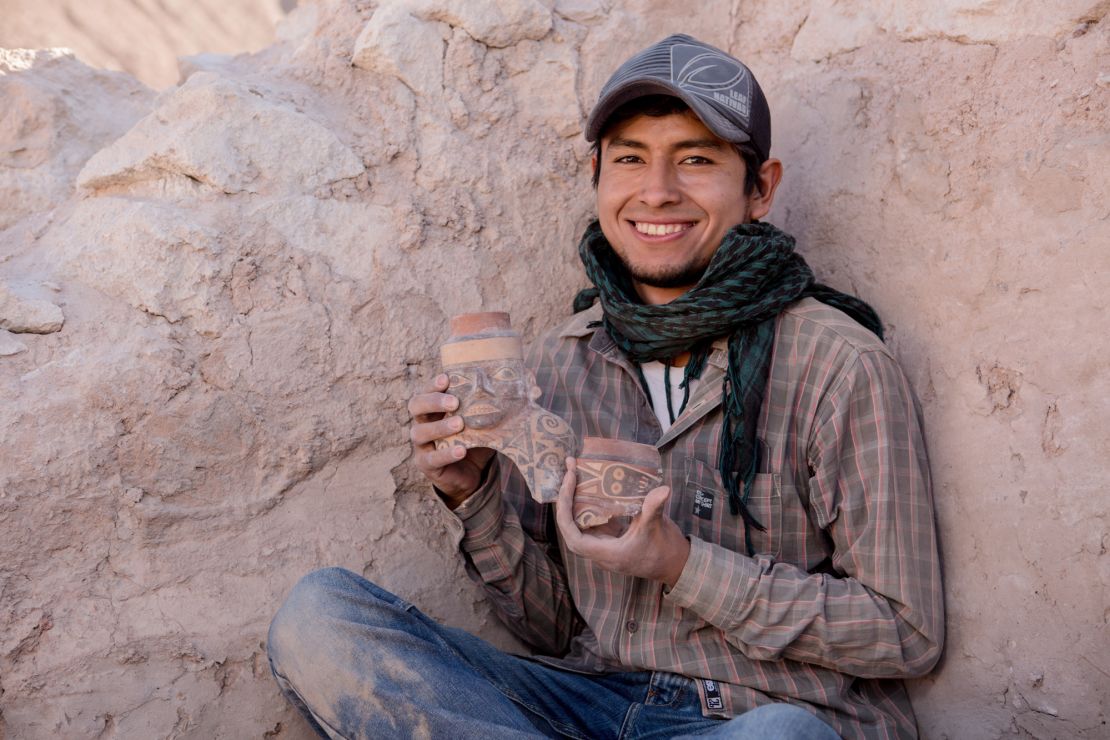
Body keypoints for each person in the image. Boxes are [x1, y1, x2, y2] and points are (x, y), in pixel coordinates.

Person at [267, 34, 943, 740]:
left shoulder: (838, 365)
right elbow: (551, 627)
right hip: (584, 704)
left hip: (754, 716)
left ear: (760, 189)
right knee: (322, 619)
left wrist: (680, 564)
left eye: (696, 159)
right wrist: (475, 494)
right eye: (629, 158)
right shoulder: (562, 363)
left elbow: (905, 631)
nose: (657, 190)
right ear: (597, 174)